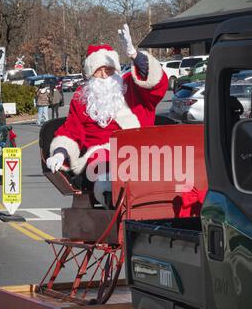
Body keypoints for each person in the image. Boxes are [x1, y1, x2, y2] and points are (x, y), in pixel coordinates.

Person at [46, 24, 168, 206]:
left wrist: (134, 54)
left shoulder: (130, 88)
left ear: (116, 70)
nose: (104, 76)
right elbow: (72, 130)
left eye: (109, 70)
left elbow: (154, 84)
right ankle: (112, 197)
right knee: (101, 162)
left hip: (137, 149)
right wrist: (60, 153)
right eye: (98, 71)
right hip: (100, 154)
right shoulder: (81, 98)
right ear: (90, 74)